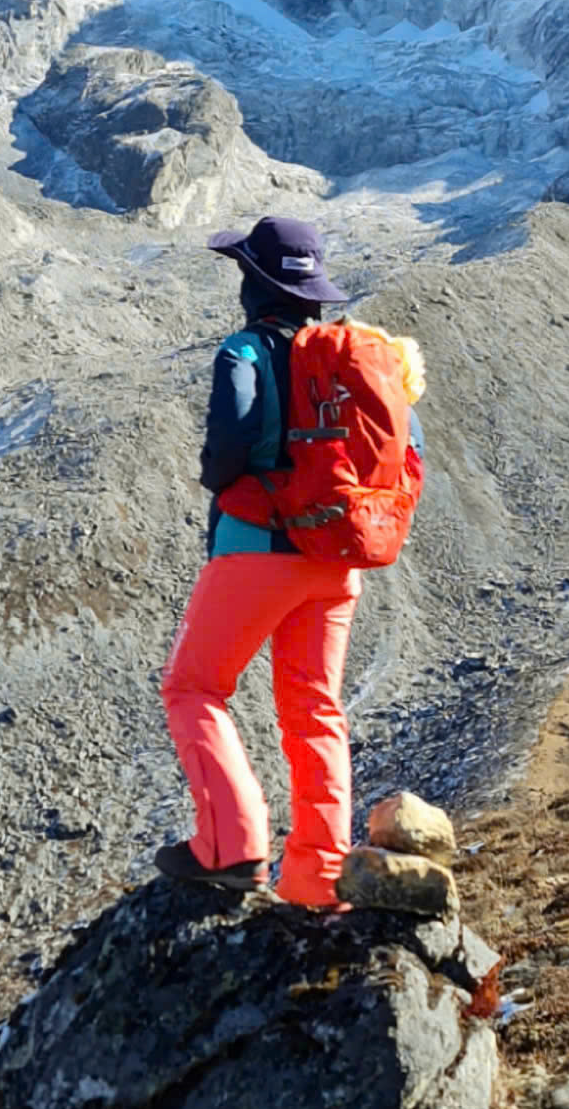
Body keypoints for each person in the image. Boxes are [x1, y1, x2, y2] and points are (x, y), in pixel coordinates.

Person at [156, 215, 423, 907]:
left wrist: (223, 478)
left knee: (195, 689)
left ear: (255, 282)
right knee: (314, 708)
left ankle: (230, 847)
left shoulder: (246, 348)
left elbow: (230, 446)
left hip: (255, 551)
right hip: (335, 558)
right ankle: (319, 880)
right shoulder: (356, 359)